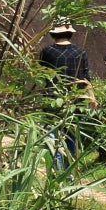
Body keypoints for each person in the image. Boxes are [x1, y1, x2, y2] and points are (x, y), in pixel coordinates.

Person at [39, 20, 96, 172]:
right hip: (74, 100)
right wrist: (92, 98)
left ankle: (56, 170)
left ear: (53, 34)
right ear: (70, 33)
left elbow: (40, 75)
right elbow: (86, 79)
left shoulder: (47, 52)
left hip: (52, 100)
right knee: (71, 136)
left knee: (51, 136)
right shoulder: (80, 52)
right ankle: (70, 172)